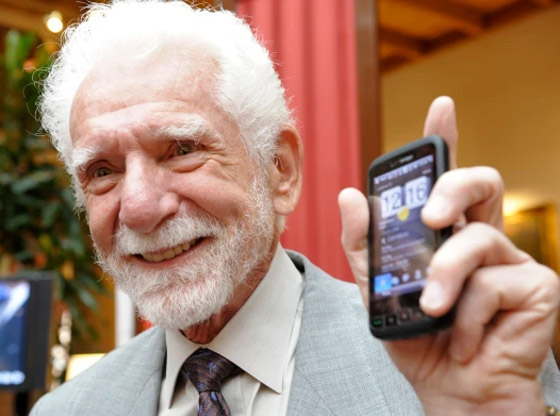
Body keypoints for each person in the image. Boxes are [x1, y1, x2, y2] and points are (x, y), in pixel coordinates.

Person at [30, 1, 560, 415]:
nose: (140, 207)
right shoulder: (66, 410)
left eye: (182, 149)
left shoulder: (454, 359)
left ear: (279, 169)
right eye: (102, 170)